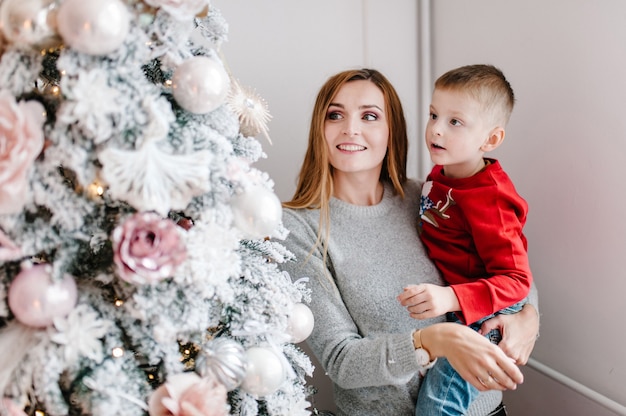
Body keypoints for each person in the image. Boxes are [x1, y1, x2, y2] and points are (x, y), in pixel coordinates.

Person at [279, 68, 540, 416]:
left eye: (369, 116)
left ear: (392, 131)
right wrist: (431, 342)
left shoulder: (429, 196)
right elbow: (341, 359)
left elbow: (512, 268)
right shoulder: (299, 226)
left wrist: (529, 317)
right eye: (335, 114)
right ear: (320, 129)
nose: (350, 129)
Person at [402, 64, 532, 416]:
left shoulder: (491, 198)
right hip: (464, 309)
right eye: (433, 115)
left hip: (489, 314)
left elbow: (518, 279)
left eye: (454, 122)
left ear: (489, 140)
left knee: (438, 404)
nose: (436, 130)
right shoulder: (443, 173)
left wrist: (450, 296)